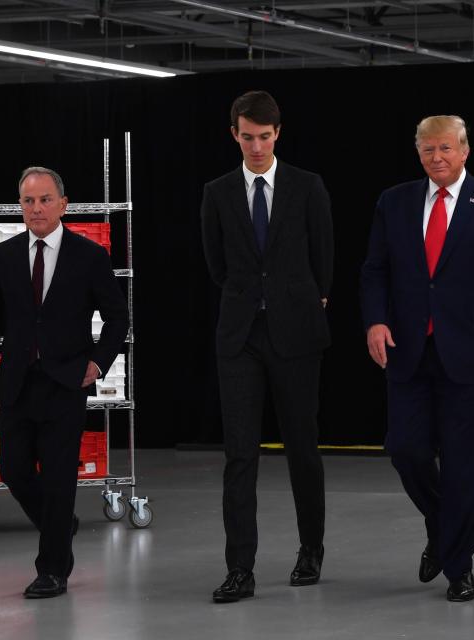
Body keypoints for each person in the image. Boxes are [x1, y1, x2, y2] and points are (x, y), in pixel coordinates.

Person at [360, 115, 474, 602]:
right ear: (418, 153)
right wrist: (375, 320)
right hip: (409, 351)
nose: (437, 158)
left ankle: (459, 564)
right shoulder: (394, 202)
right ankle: (441, 525)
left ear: (465, 150)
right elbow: (374, 270)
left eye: (446, 149)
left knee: (464, 466)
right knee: (405, 449)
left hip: (473, 354)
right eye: (428, 150)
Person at [200, 90, 333, 603]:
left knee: (303, 447)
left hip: (297, 334)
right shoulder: (217, 192)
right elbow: (216, 264)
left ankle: (311, 550)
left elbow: (324, 257)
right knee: (239, 455)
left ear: (277, 134)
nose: (256, 146)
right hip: (239, 337)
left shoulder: (307, 186)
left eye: (264, 136)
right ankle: (240, 569)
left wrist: (297, 301)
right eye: (247, 136)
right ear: (234, 134)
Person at [0, 166, 128, 598]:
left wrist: (98, 364)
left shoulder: (90, 256)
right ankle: (60, 526)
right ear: (19, 207)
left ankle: (53, 570)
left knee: (60, 477)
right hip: (16, 384)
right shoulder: (3, 256)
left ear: (64, 204)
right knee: (12, 468)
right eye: (28, 201)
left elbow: (118, 317)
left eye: (45, 200)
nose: (37, 208)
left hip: (66, 384)